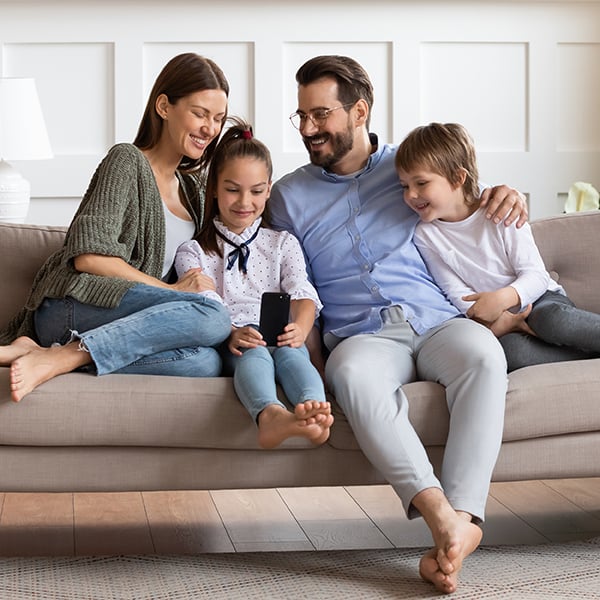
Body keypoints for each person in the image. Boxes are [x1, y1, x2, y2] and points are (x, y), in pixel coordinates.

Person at [268, 55, 528, 595]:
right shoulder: (288, 195)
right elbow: (285, 277)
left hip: (435, 319)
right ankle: (443, 517)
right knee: (356, 379)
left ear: (360, 110)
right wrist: (305, 364)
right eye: (301, 117)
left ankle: (465, 518)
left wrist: (505, 193)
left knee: (483, 355)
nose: (309, 129)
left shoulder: (405, 168)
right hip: (361, 335)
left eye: (321, 115)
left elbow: (463, 195)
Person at [0, 53, 233, 402]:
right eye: (199, 113)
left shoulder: (195, 192)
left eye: (218, 119)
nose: (209, 129)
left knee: (204, 363)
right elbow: (89, 259)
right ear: (164, 106)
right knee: (213, 317)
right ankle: (64, 354)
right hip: (75, 305)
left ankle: (46, 353)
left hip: (125, 319)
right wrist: (174, 292)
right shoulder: (126, 160)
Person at [174, 118, 332, 449]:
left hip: (280, 331)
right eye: (232, 190)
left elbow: (301, 290)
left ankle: (314, 414)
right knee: (256, 356)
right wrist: (231, 331)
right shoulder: (194, 251)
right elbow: (203, 303)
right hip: (234, 338)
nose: (245, 202)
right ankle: (270, 416)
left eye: (257, 191)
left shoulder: (282, 243)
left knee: (293, 356)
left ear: (269, 190)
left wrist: (300, 329)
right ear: (214, 189)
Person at [396, 121, 600, 372]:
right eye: (404, 186)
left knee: (551, 320)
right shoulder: (425, 234)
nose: (411, 195)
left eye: (421, 183)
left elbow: (535, 275)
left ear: (458, 178)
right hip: (497, 319)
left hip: (539, 299)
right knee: (509, 353)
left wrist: (504, 297)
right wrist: (496, 318)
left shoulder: (499, 210)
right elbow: (454, 290)